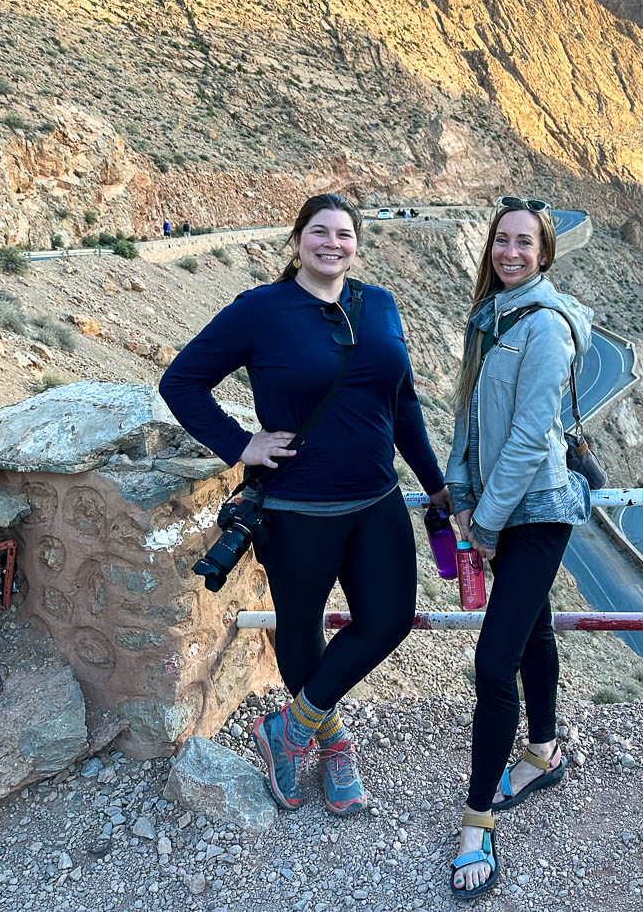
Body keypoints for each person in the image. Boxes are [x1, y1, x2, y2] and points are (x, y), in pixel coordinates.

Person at [159, 192, 449, 815]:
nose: (332, 243)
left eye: (344, 234)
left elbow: (403, 406)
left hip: (376, 500)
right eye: (319, 232)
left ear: (357, 245)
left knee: (390, 619)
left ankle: (290, 729)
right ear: (297, 241)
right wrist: (241, 444)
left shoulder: (381, 307)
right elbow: (180, 381)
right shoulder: (261, 310)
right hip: (297, 510)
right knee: (300, 630)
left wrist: (433, 482)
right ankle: (334, 741)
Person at [444, 196, 593, 899]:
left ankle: (477, 823)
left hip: (536, 512)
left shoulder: (545, 327)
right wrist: (458, 490)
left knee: (491, 660)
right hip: (500, 511)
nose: (509, 252)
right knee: (533, 630)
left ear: (545, 252)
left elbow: (535, 435)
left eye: (523, 243)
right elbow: (468, 416)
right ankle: (542, 751)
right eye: (500, 240)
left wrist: (488, 521)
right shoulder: (489, 317)